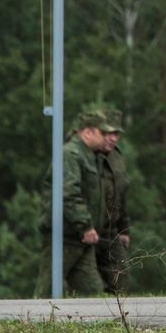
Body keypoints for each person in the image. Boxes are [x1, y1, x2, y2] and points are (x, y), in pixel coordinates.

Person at [60, 110, 108, 295]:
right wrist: (85, 224)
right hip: (65, 236)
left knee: (94, 293)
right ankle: (31, 322)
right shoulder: (71, 154)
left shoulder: (90, 156)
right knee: (48, 290)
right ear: (87, 132)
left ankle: (100, 322)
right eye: (102, 133)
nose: (106, 138)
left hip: (82, 237)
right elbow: (69, 193)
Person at [98, 109, 131, 294]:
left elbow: (122, 194)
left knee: (121, 276)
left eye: (116, 133)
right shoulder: (85, 156)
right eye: (108, 133)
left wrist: (124, 229)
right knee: (88, 286)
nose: (112, 138)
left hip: (111, 231)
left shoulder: (117, 157)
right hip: (88, 231)